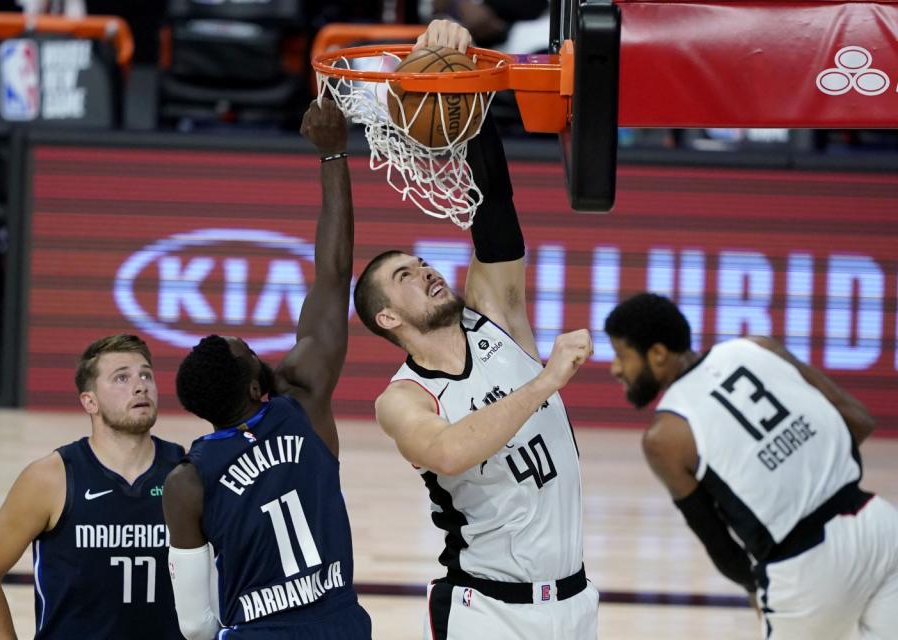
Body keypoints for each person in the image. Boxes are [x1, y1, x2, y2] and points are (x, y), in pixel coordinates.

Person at [351, 20, 598, 639]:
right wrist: (546, 382)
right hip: (485, 611)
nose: (428, 272)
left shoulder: (495, 322)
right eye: (406, 276)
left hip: (575, 602)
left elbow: (497, 219)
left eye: (424, 262)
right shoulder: (403, 399)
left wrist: (472, 85)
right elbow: (450, 451)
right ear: (388, 318)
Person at [162, 98, 371, 640]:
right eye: (252, 350)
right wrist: (333, 156)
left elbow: (194, 624)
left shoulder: (187, 480)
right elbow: (334, 271)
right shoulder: (301, 400)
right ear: (257, 386)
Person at [604, 292, 898, 640]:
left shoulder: (665, 437)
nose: (615, 368)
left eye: (622, 355)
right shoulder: (758, 347)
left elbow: (724, 551)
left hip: (804, 571)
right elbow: (859, 420)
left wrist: (756, 590)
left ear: (657, 353)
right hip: (882, 528)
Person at [0, 334, 185, 638]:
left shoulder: (185, 471)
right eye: (121, 378)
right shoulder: (50, 478)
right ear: (89, 401)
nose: (140, 385)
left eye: (146, 374)